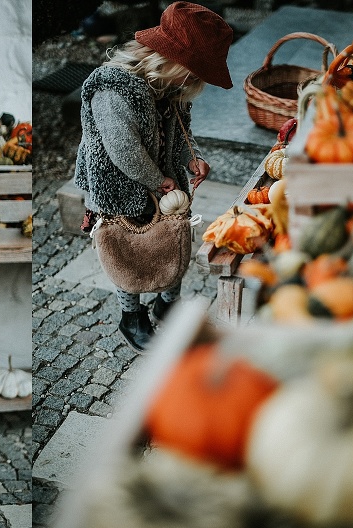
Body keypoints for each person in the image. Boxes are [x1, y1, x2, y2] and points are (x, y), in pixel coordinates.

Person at [75, 1, 234, 353]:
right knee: (126, 249)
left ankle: (167, 302)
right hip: (116, 187)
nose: (194, 83)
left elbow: (181, 132)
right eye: (192, 73)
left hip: (160, 180)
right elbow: (123, 149)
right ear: (167, 60)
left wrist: (193, 158)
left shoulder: (170, 87)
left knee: (172, 240)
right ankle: (131, 315)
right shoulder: (113, 89)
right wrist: (155, 180)